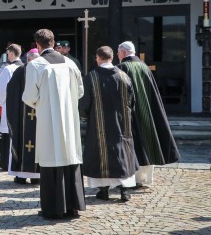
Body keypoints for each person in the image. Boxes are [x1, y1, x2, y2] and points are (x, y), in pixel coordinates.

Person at [22, 29, 85, 219]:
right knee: (70, 155)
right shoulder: (70, 63)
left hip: (48, 120)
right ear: (54, 42)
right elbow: (80, 91)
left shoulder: (36, 65)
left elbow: (29, 97)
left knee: (51, 157)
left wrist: (42, 104)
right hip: (70, 119)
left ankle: (53, 208)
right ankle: (73, 206)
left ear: (37, 45)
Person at [80, 46, 139, 202]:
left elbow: (84, 103)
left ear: (98, 58)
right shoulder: (124, 77)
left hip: (99, 126)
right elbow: (132, 101)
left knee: (101, 154)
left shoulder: (91, 77)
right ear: (112, 57)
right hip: (122, 125)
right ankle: (124, 190)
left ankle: (103, 190)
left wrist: (85, 117)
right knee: (122, 153)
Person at [117, 41, 179, 187]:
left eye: (118, 51)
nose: (118, 55)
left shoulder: (121, 67)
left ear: (124, 52)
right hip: (148, 111)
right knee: (148, 142)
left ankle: (133, 178)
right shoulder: (144, 66)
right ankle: (145, 178)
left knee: (134, 144)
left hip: (131, 113)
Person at [6, 49, 40, 184]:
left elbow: (10, 94)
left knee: (21, 140)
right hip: (38, 116)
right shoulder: (41, 71)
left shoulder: (20, 71)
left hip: (21, 117)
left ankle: (21, 175)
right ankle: (36, 175)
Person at [0, 43, 23, 170]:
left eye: (8, 54)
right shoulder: (25, 67)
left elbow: (1, 90)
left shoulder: (8, 69)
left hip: (10, 106)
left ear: (11, 53)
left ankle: (7, 163)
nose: (7, 56)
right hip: (23, 107)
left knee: (8, 134)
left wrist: (1, 103)